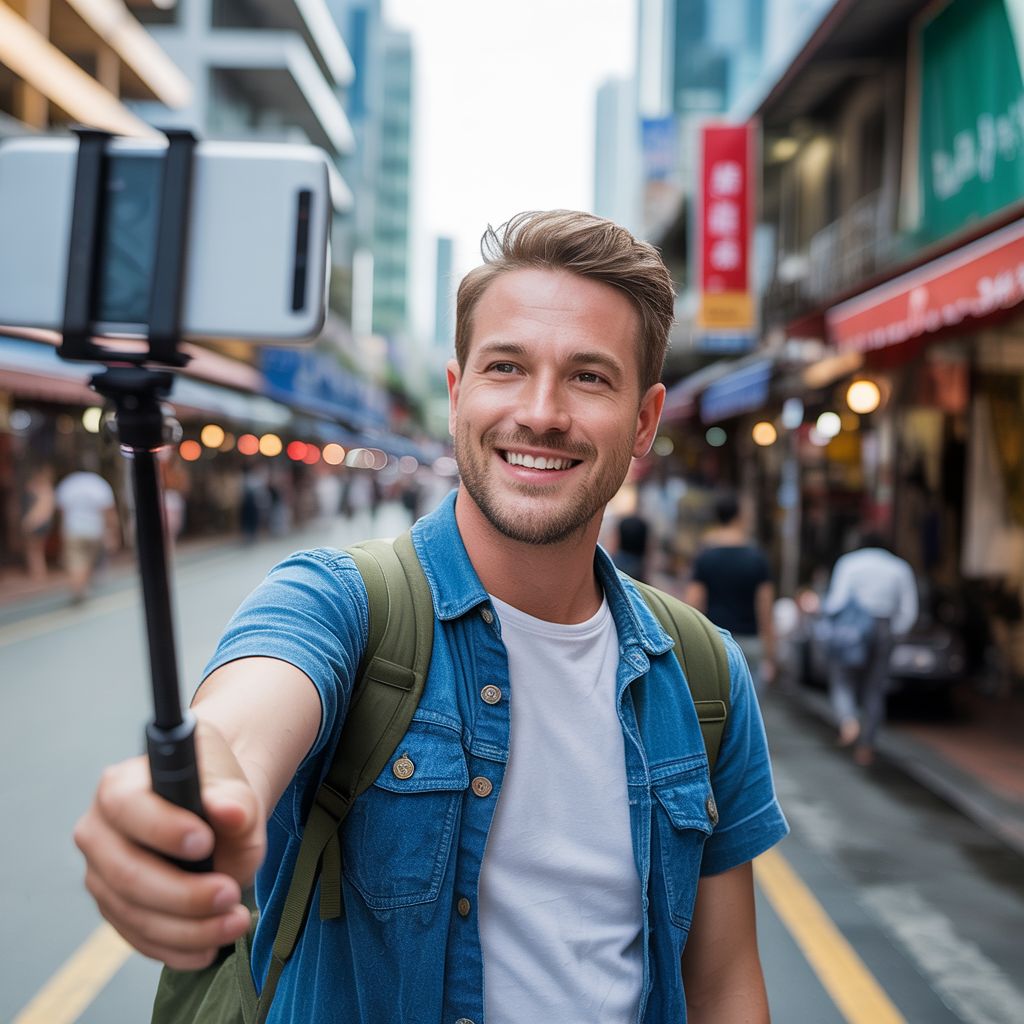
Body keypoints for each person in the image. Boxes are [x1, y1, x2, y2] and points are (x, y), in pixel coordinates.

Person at [75, 211, 788, 1023]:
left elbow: (726, 983)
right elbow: (240, 726)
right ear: (458, 396)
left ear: (645, 421)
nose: (542, 412)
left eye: (589, 377)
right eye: (506, 367)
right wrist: (188, 804)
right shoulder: (338, 602)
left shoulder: (703, 673)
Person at [821, 530, 919, 766]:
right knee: (874, 689)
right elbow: (909, 609)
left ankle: (848, 720)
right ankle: (866, 746)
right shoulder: (899, 567)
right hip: (884, 627)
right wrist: (894, 632)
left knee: (842, 679)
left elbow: (836, 601)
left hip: (852, 626)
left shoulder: (849, 563)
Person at [685, 493, 777, 692]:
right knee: (750, 716)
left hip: (716, 645)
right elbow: (766, 612)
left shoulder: (705, 557)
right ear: (739, 516)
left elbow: (692, 607)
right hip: (750, 646)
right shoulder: (757, 559)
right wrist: (770, 656)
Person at [54, 460, 118, 603]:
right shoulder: (98, 483)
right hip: (94, 529)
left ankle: (78, 588)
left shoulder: (67, 484)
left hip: (73, 529)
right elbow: (108, 511)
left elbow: (61, 512)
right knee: (86, 561)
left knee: (76, 561)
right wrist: (112, 532)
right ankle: (80, 588)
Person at [21, 464, 55, 581]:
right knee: (38, 550)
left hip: (36, 522)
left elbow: (41, 509)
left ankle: (37, 574)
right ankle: (40, 573)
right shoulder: (47, 488)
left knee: (34, 551)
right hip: (44, 523)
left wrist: (29, 522)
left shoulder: (41, 489)